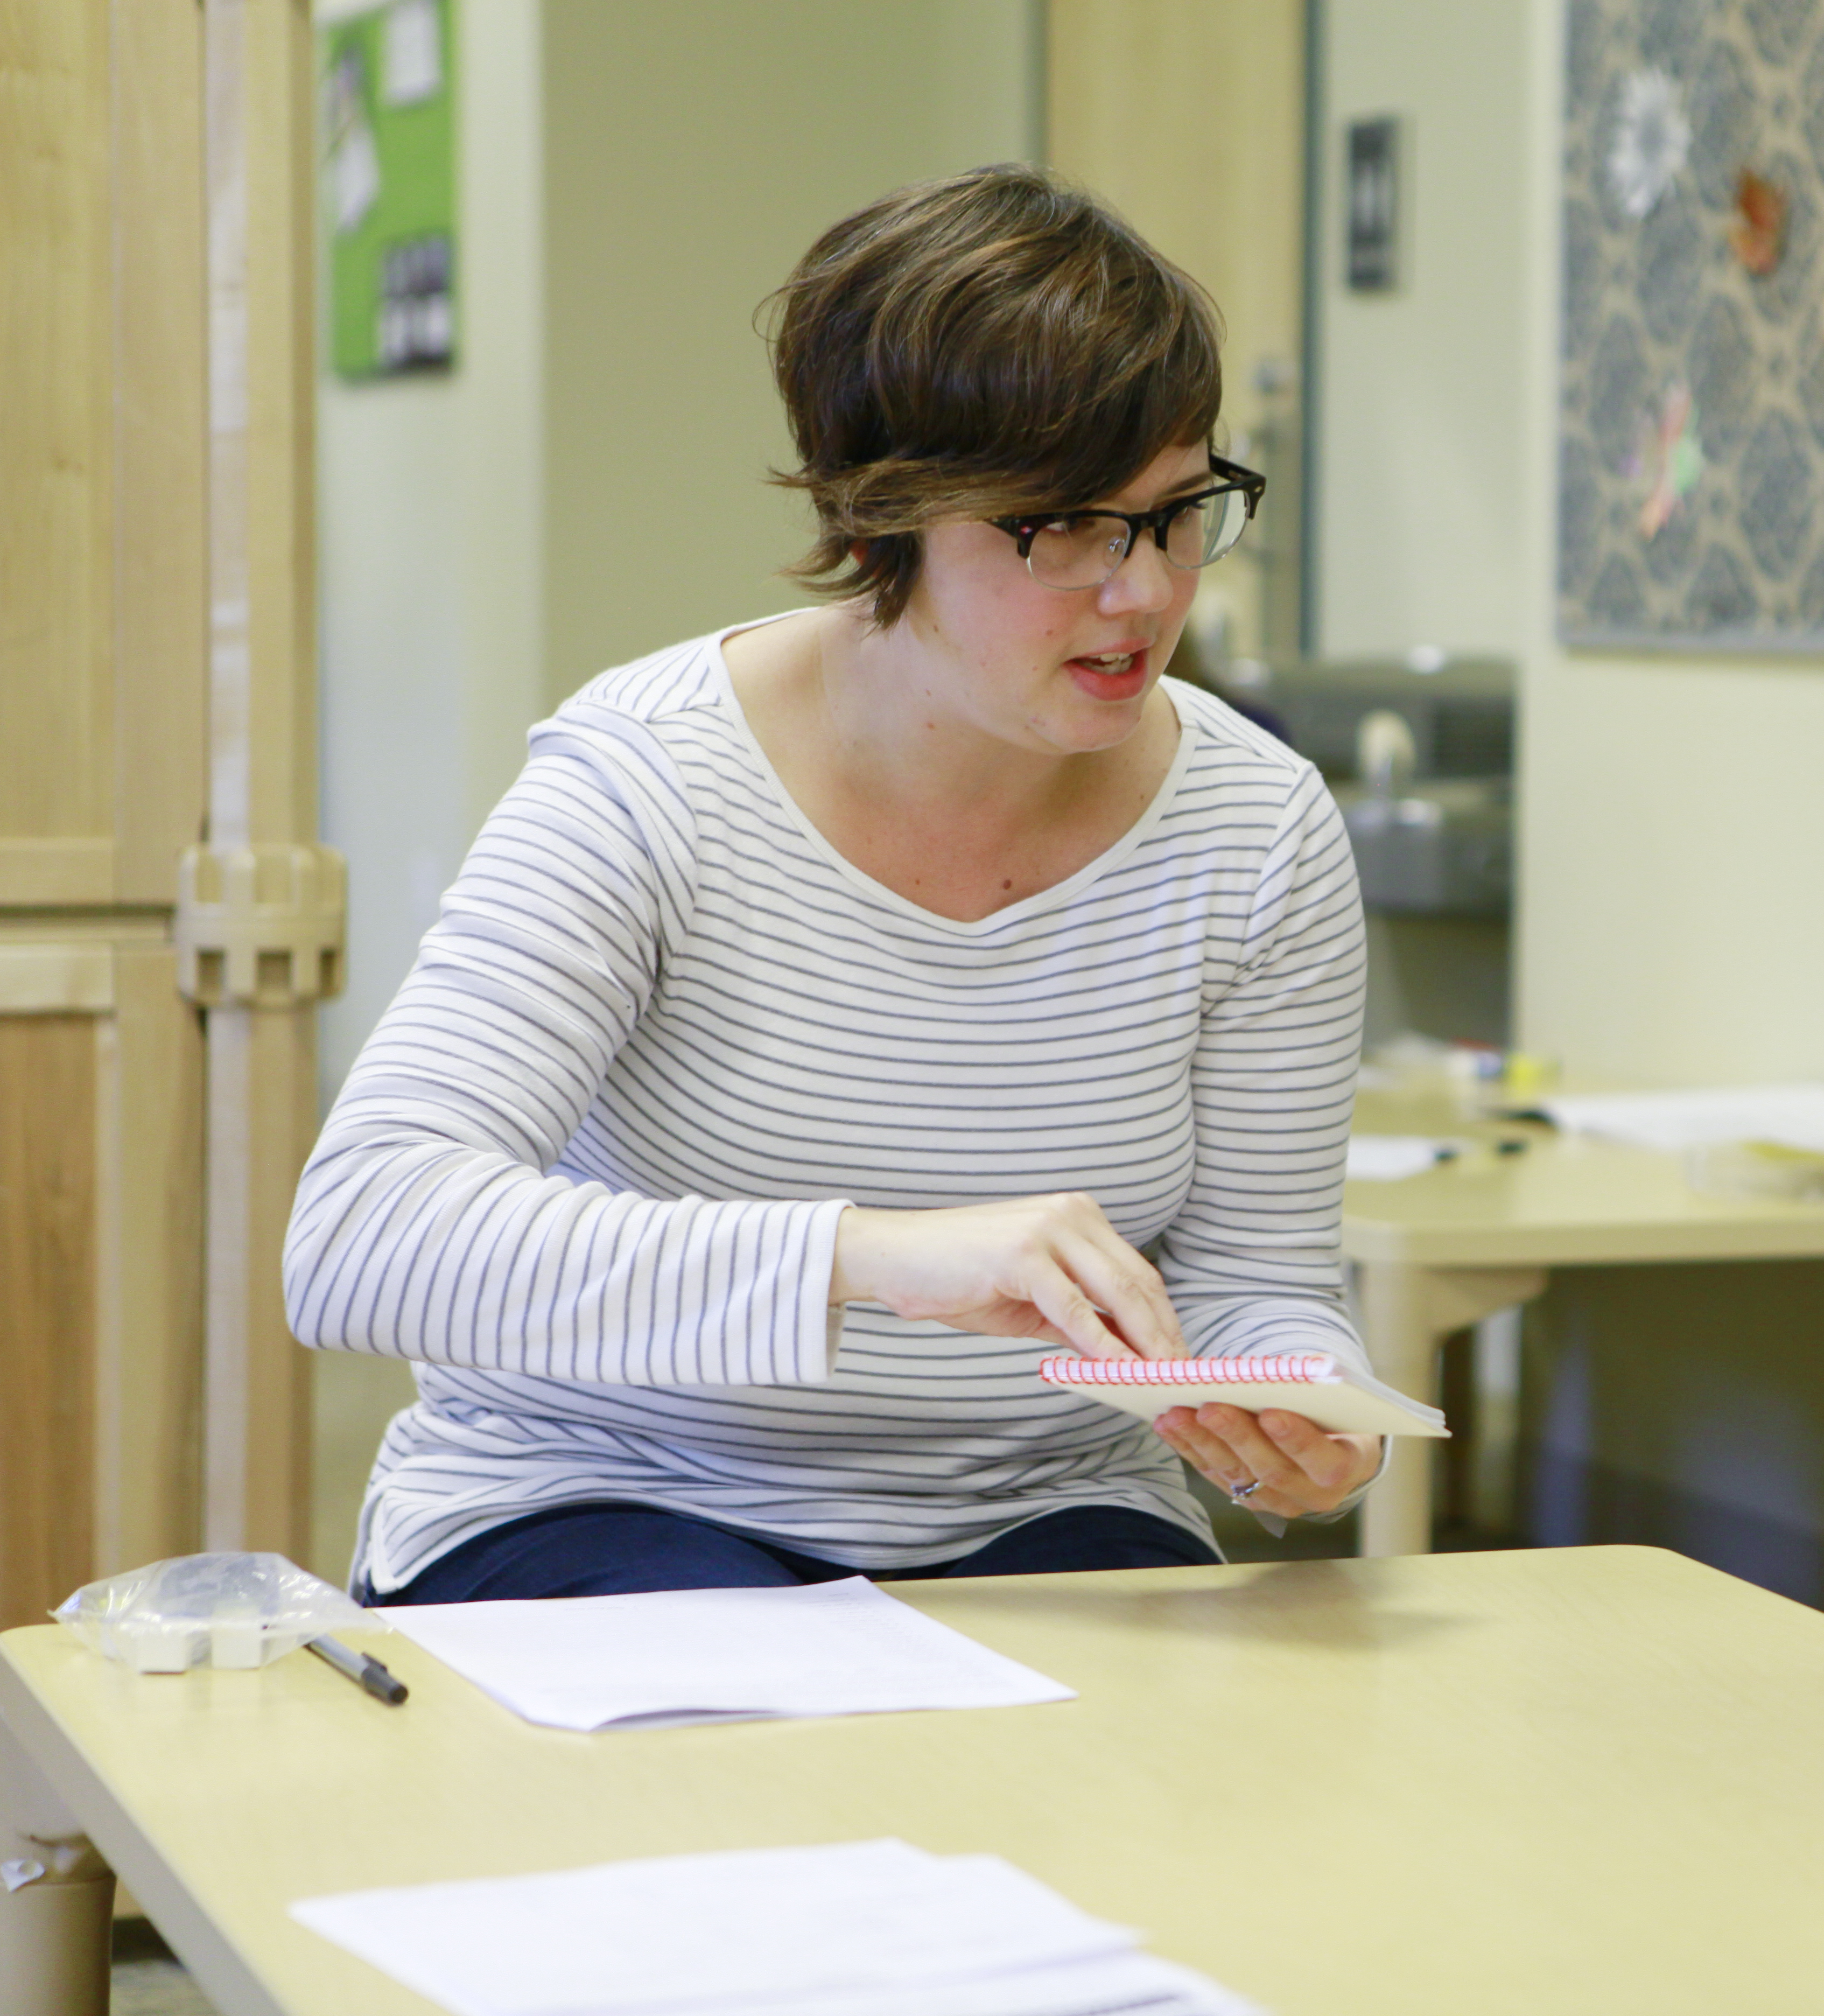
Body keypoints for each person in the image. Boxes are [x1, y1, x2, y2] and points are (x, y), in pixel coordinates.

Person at [284, 165, 1384, 1604]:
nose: (1147, 591)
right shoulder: (651, 779)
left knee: (1156, 1802)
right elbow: (366, 1236)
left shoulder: (1260, 828)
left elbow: (1261, 1280)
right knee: (749, 1764)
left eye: (1179, 513)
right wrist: (868, 1259)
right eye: (1063, 529)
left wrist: (1301, 1416)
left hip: (1042, 1511)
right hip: (604, 1489)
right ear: (883, 523)